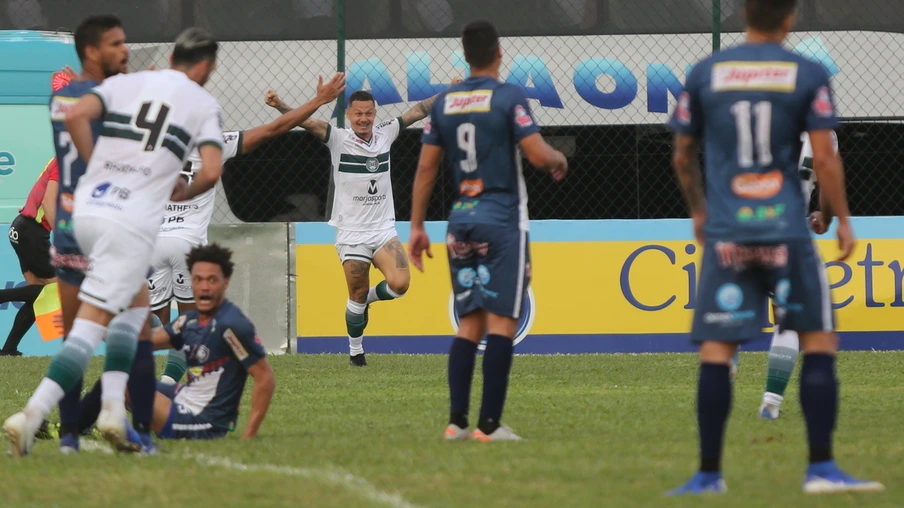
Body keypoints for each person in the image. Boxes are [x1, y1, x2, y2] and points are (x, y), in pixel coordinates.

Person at [666, 0, 882, 495]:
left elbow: (682, 152)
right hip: (785, 228)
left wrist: (700, 211)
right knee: (818, 340)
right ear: (790, 18)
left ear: (743, 14)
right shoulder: (807, 73)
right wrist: (841, 219)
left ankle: (708, 475)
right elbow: (824, 158)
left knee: (718, 351)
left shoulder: (705, 71)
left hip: (728, 231)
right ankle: (822, 469)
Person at [3, 26, 226, 457]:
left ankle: (88, 422)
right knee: (102, 328)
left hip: (81, 214)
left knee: (123, 318)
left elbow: (72, 113)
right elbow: (212, 171)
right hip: (128, 218)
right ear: (207, 66)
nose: (124, 52)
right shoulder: (198, 101)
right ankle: (45, 416)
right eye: (117, 45)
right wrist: (180, 189)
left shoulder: (123, 85)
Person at [409, 20, 567, 441]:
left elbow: (426, 167)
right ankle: (488, 427)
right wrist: (557, 157)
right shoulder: (508, 96)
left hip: (460, 221)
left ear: (465, 56)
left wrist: (417, 225)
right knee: (501, 323)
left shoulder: (444, 103)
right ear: (499, 52)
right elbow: (535, 155)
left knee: (470, 323)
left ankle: (456, 422)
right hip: (501, 222)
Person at [152, 74, 346, 385]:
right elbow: (274, 128)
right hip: (188, 245)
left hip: (153, 244)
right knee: (189, 322)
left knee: (152, 323)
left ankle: (136, 382)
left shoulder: (148, 146)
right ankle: (170, 382)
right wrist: (319, 100)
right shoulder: (213, 144)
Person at [265, 78, 461, 367]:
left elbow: (418, 110)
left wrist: (448, 92)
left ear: (375, 113)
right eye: (358, 113)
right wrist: (281, 104)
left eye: (368, 113)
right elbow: (306, 122)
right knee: (355, 293)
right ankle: (356, 350)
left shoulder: (386, 133)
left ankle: (365, 301)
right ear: (348, 114)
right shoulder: (338, 139)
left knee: (400, 285)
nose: (364, 119)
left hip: (383, 231)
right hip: (352, 234)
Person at [45, 15, 157, 455]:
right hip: (110, 225)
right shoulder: (109, 99)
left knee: (76, 336)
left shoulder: (60, 98)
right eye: (116, 44)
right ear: (92, 52)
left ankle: (70, 437)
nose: (125, 50)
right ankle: (142, 435)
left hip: (72, 227)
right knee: (139, 327)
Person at [74, 244, 275, 440]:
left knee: (121, 383)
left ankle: (92, 429)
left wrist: (249, 434)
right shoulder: (191, 320)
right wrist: (95, 326)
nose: (204, 287)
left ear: (226, 282)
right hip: (185, 397)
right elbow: (144, 341)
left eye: (212, 280)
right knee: (120, 377)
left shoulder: (231, 324)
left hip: (203, 421)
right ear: (191, 282)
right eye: (198, 279)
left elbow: (264, 377)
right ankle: (83, 426)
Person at [759, 130, 838, 420]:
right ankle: (771, 401)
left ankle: (726, 358)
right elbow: (828, 180)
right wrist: (826, 215)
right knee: (789, 320)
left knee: (732, 308)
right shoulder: (822, 133)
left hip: (737, 222)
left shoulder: (750, 115)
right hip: (785, 231)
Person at [0, 158, 59, 356]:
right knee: (58, 290)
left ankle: (8, 349)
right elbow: (49, 202)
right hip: (32, 232)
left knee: (39, 295)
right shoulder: (66, 161)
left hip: (22, 229)